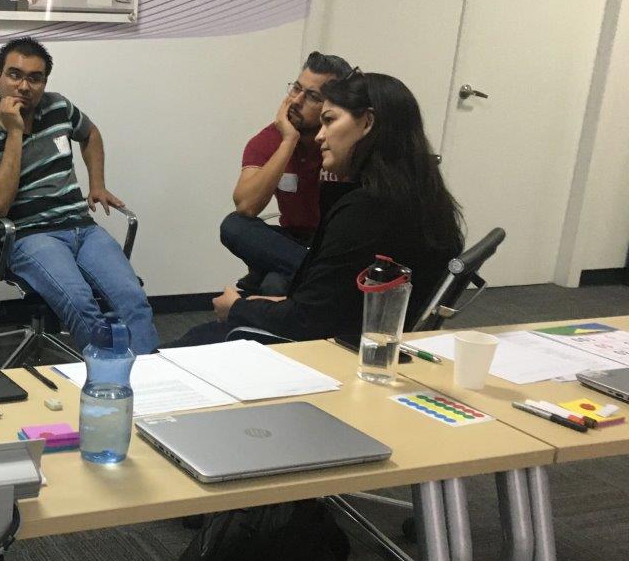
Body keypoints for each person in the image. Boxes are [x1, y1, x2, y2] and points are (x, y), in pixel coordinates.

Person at [176, 70, 464, 345]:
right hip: (355, 335)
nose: (320, 136)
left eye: (330, 120)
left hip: (327, 350)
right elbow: (335, 302)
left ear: (367, 122)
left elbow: (308, 321)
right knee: (239, 232)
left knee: (180, 347)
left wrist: (237, 308)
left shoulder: (365, 210)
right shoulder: (425, 200)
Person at [0, 38, 159, 354]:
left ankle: (151, 375)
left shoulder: (58, 107)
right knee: (81, 304)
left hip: (83, 228)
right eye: (14, 75)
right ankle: (106, 377)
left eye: (34, 78)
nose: (24, 86)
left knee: (131, 298)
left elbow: (90, 133)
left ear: (44, 83)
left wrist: (97, 184)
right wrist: (14, 131)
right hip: (30, 235)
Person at [221, 51, 354, 296]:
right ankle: (315, 273)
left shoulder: (344, 141)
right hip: (292, 240)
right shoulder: (269, 139)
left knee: (274, 284)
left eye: (312, 96)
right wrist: (288, 141)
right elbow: (246, 206)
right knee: (234, 226)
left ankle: (275, 271)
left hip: (334, 243)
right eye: (296, 89)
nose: (296, 100)